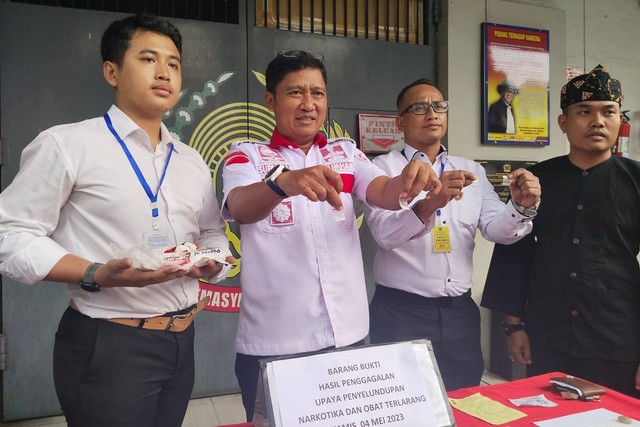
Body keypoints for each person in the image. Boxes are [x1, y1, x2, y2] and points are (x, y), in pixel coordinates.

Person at [0, 15, 234, 427]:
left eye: (174, 64)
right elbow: (10, 233)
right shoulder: (69, 144)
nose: (164, 73)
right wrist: (96, 273)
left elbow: (213, 231)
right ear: (112, 71)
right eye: (148, 59)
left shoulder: (189, 159)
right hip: (108, 342)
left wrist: (213, 261)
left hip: (182, 338)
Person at [221, 51, 442, 420]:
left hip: (348, 338)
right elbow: (240, 206)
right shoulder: (247, 156)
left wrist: (410, 175)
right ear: (271, 100)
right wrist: (282, 185)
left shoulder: (345, 154)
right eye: (295, 93)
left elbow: (384, 192)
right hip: (274, 343)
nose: (309, 104)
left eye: (318, 93)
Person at [363, 78, 541, 391]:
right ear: (400, 122)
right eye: (420, 107)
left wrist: (521, 207)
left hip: (459, 312)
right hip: (401, 312)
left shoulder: (471, 169)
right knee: (402, 399)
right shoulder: (382, 169)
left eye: (439, 106)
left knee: (465, 397)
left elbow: (498, 230)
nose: (432, 113)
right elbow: (385, 235)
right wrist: (431, 203)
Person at [482, 64, 640, 398]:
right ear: (563, 123)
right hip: (548, 335)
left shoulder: (636, 181)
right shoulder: (538, 180)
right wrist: (513, 326)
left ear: (619, 121)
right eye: (584, 112)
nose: (597, 121)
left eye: (608, 112)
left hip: (619, 339)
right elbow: (515, 253)